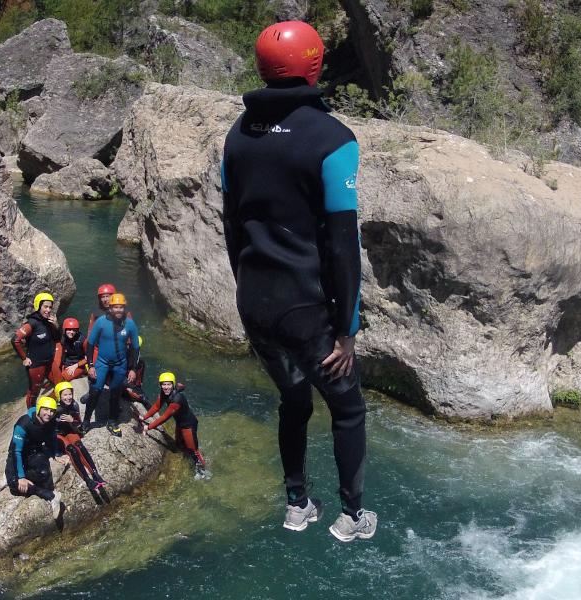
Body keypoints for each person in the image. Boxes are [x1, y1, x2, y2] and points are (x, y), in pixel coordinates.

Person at [220, 20, 376, 542]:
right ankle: (353, 515)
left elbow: (231, 223)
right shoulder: (334, 140)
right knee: (348, 407)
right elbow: (341, 245)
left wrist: (247, 286)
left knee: (294, 399)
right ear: (314, 63)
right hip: (305, 310)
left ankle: (296, 504)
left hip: (255, 302)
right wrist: (347, 331)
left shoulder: (238, 135)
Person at [86, 292, 140, 437]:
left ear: (124, 308)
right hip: (102, 362)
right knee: (95, 390)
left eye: (121, 307)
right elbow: (90, 344)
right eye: (115, 307)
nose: (118, 310)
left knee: (115, 393)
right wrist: (90, 365)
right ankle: (85, 423)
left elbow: (135, 347)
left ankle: (112, 421)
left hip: (120, 365)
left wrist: (133, 369)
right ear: (110, 308)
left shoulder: (129, 324)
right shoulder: (101, 322)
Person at [4, 393, 67, 512]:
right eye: (46, 409)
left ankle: (10, 474)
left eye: (52, 411)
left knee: (43, 475)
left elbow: (53, 437)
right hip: (18, 452)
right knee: (15, 485)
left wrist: (56, 454)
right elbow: (16, 451)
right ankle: (52, 497)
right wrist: (21, 477)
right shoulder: (24, 424)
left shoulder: (51, 421)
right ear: (39, 409)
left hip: (35, 451)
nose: (49, 413)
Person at [137, 371, 206, 470]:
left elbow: (164, 417)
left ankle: (203, 471)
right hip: (180, 423)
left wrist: (147, 427)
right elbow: (156, 406)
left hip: (188, 425)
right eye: (163, 384)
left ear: (173, 385)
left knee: (193, 451)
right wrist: (144, 417)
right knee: (179, 445)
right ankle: (185, 459)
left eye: (168, 384)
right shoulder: (164, 393)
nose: (166, 387)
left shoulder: (176, 400)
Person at [52, 381, 107, 492]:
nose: (68, 397)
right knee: (72, 450)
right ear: (59, 396)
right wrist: (54, 453)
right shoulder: (54, 410)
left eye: (70, 394)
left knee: (80, 446)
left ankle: (95, 474)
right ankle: (87, 480)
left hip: (69, 431)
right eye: (65, 395)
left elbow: (79, 426)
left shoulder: (74, 405)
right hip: (57, 435)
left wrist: (72, 421)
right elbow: (47, 429)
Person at [12, 292, 60, 408]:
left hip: (49, 361)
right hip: (36, 365)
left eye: (50, 307)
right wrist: (24, 358)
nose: (48, 310)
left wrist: (56, 326)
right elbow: (15, 340)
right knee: (34, 392)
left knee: (60, 385)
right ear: (38, 306)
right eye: (45, 307)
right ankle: (31, 412)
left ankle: (50, 405)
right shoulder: (32, 323)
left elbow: (57, 339)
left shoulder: (49, 321)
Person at [50, 317, 88, 385]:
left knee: (62, 379)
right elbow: (56, 334)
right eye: (69, 330)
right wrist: (55, 324)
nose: (71, 332)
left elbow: (89, 357)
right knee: (53, 376)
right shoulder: (63, 338)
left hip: (78, 364)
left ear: (77, 330)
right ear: (65, 330)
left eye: (74, 330)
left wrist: (76, 365)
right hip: (67, 362)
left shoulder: (83, 340)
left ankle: (56, 394)